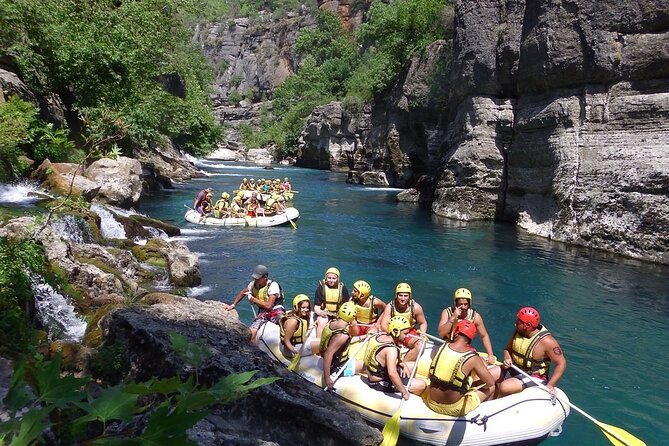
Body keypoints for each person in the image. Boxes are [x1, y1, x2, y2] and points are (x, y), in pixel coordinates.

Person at [426, 320, 501, 416]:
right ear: (471, 338)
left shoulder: (441, 347)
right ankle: (483, 416)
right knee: (491, 388)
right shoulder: (473, 358)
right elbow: (490, 382)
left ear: (455, 332)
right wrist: (473, 386)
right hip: (453, 408)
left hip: (431, 401)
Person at [499, 307, 566, 396]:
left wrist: (551, 384)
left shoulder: (548, 342)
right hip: (515, 368)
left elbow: (561, 363)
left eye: (518, 322)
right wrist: (507, 358)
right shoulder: (518, 331)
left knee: (505, 387)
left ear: (527, 325)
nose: (515, 324)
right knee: (490, 375)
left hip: (534, 377)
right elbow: (507, 349)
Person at [363, 316, 426, 400]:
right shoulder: (391, 349)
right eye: (405, 333)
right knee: (422, 385)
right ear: (396, 332)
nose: (407, 336)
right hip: (379, 382)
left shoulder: (379, 336)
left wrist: (402, 364)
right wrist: (404, 392)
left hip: (377, 374)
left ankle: (406, 383)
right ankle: (408, 391)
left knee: (412, 365)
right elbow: (392, 373)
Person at [222, 265, 285, 345]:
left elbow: (269, 306)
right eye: (255, 278)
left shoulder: (273, 286)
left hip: (276, 310)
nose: (256, 280)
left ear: (265, 277)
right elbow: (243, 293)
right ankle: (254, 351)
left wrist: (253, 299)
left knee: (284, 323)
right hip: (263, 313)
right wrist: (233, 305)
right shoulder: (253, 284)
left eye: (258, 278)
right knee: (252, 333)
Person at [437, 288, 497, 365]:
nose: (463, 307)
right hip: (448, 345)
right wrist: (453, 318)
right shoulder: (447, 313)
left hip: (463, 348)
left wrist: (490, 354)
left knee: (483, 364)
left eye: (465, 304)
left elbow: (484, 336)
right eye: (460, 304)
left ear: (469, 304)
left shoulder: (475, 317)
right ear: (455, 303)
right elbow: (441, 333)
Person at [320, 301, 366, 391]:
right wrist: (327, 378)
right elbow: (328, 354)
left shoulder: (332, 323)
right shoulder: (343, 336)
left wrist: (364, 336)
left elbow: (339, 342)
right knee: (366, 364)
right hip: (336, 368)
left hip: (334, 362)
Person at [378, 282, 427, 362]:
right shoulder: (390, 307)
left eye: (405, 296)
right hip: (392, 333)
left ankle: (403, 363)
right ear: (396, 296)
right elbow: (384, 325)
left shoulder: (416, 307)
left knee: (420, 345)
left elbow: (423, 323)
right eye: (400, 295)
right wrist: (395, 334)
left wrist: (422, 334)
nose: (403, 298)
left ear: (409, 296)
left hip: (408, 333)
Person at [279, 294, 319, 359]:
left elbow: (296, 330)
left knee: (322, 341)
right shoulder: (293, 321)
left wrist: (308, 327)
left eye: (307, 307)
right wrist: (294, 351)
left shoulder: (298, 316)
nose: (306, 310)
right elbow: (286, 340)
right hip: (289, 349)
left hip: (296, 344)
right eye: (303, 307)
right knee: (322, 344)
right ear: (296, 307)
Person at [314, 267, 350, 337]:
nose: (331, 280)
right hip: (324, 314)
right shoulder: (321, 288)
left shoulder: (343, 288)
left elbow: (347, 305)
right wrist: (321, 313)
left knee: (344, 325)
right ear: (325, 278)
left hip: (338, 314)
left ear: (338, 279)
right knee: (322, 321)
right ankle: (319, 342)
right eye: (329, 278)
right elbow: (316, 307)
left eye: (334, 278)